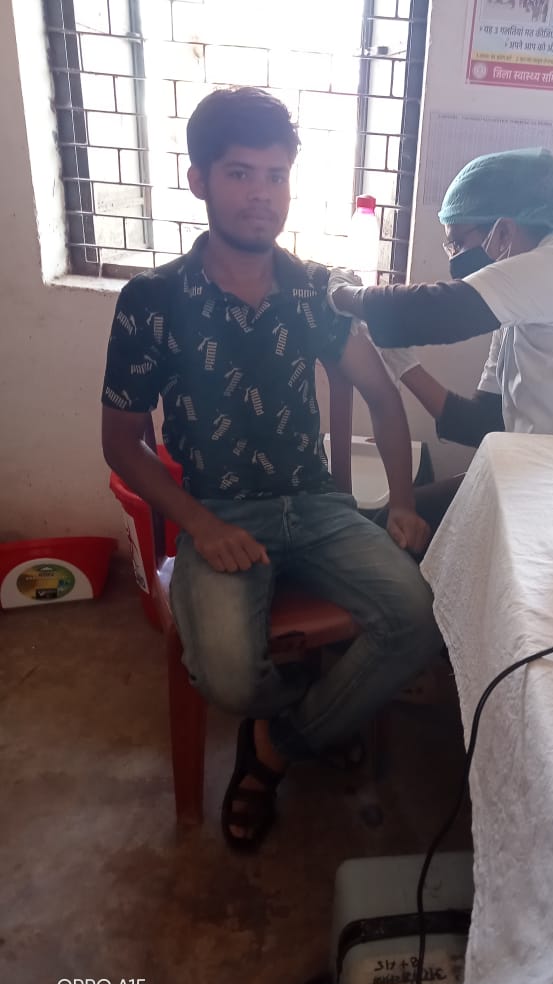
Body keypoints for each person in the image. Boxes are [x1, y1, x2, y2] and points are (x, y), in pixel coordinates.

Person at [101, 87, 441, 853]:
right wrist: (201, 525)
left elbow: (383, 398)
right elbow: (123, 442)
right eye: (239, 173)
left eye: (275, 175)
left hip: (316, 506)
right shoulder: (152, 300)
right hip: (219, 512)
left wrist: (403, 501)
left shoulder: (315, 291)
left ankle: (274, 748)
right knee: (226, 676)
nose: (261, 195)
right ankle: (315, 710)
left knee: (418, 618)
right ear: (199, 180)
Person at [329, 149, 553, 487]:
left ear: (504, 233)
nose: (455, 258)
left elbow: (435, 311)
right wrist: (406, 367)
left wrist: (340, 292)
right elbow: (483, 423)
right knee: (409, 515)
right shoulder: (518, 312)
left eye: (458, 243)